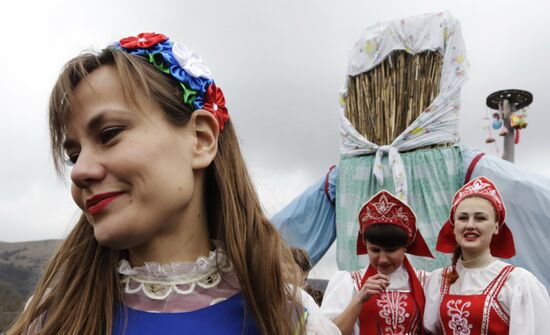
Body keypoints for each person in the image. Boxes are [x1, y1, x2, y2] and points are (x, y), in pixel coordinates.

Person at [7, 32, 339, 335]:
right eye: (73, 155)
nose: (79, 172)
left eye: (109, 134)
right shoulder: (53, 319)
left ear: (201, 139)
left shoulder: (286, 318)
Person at [423, 176, 550, 334]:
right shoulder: (437, 280)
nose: (470, 225)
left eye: (480, 218)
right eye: (463, 218)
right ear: (454, 227)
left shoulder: (517, 282)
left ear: (496, 227)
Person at [321, 190, 433, 335]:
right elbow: (328, 332)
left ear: (405, 247)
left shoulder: (426, 282)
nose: (383, 259)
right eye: (375, 250)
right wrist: (359, 299)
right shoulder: (349, 282)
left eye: (391, 250)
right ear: (365, 246)